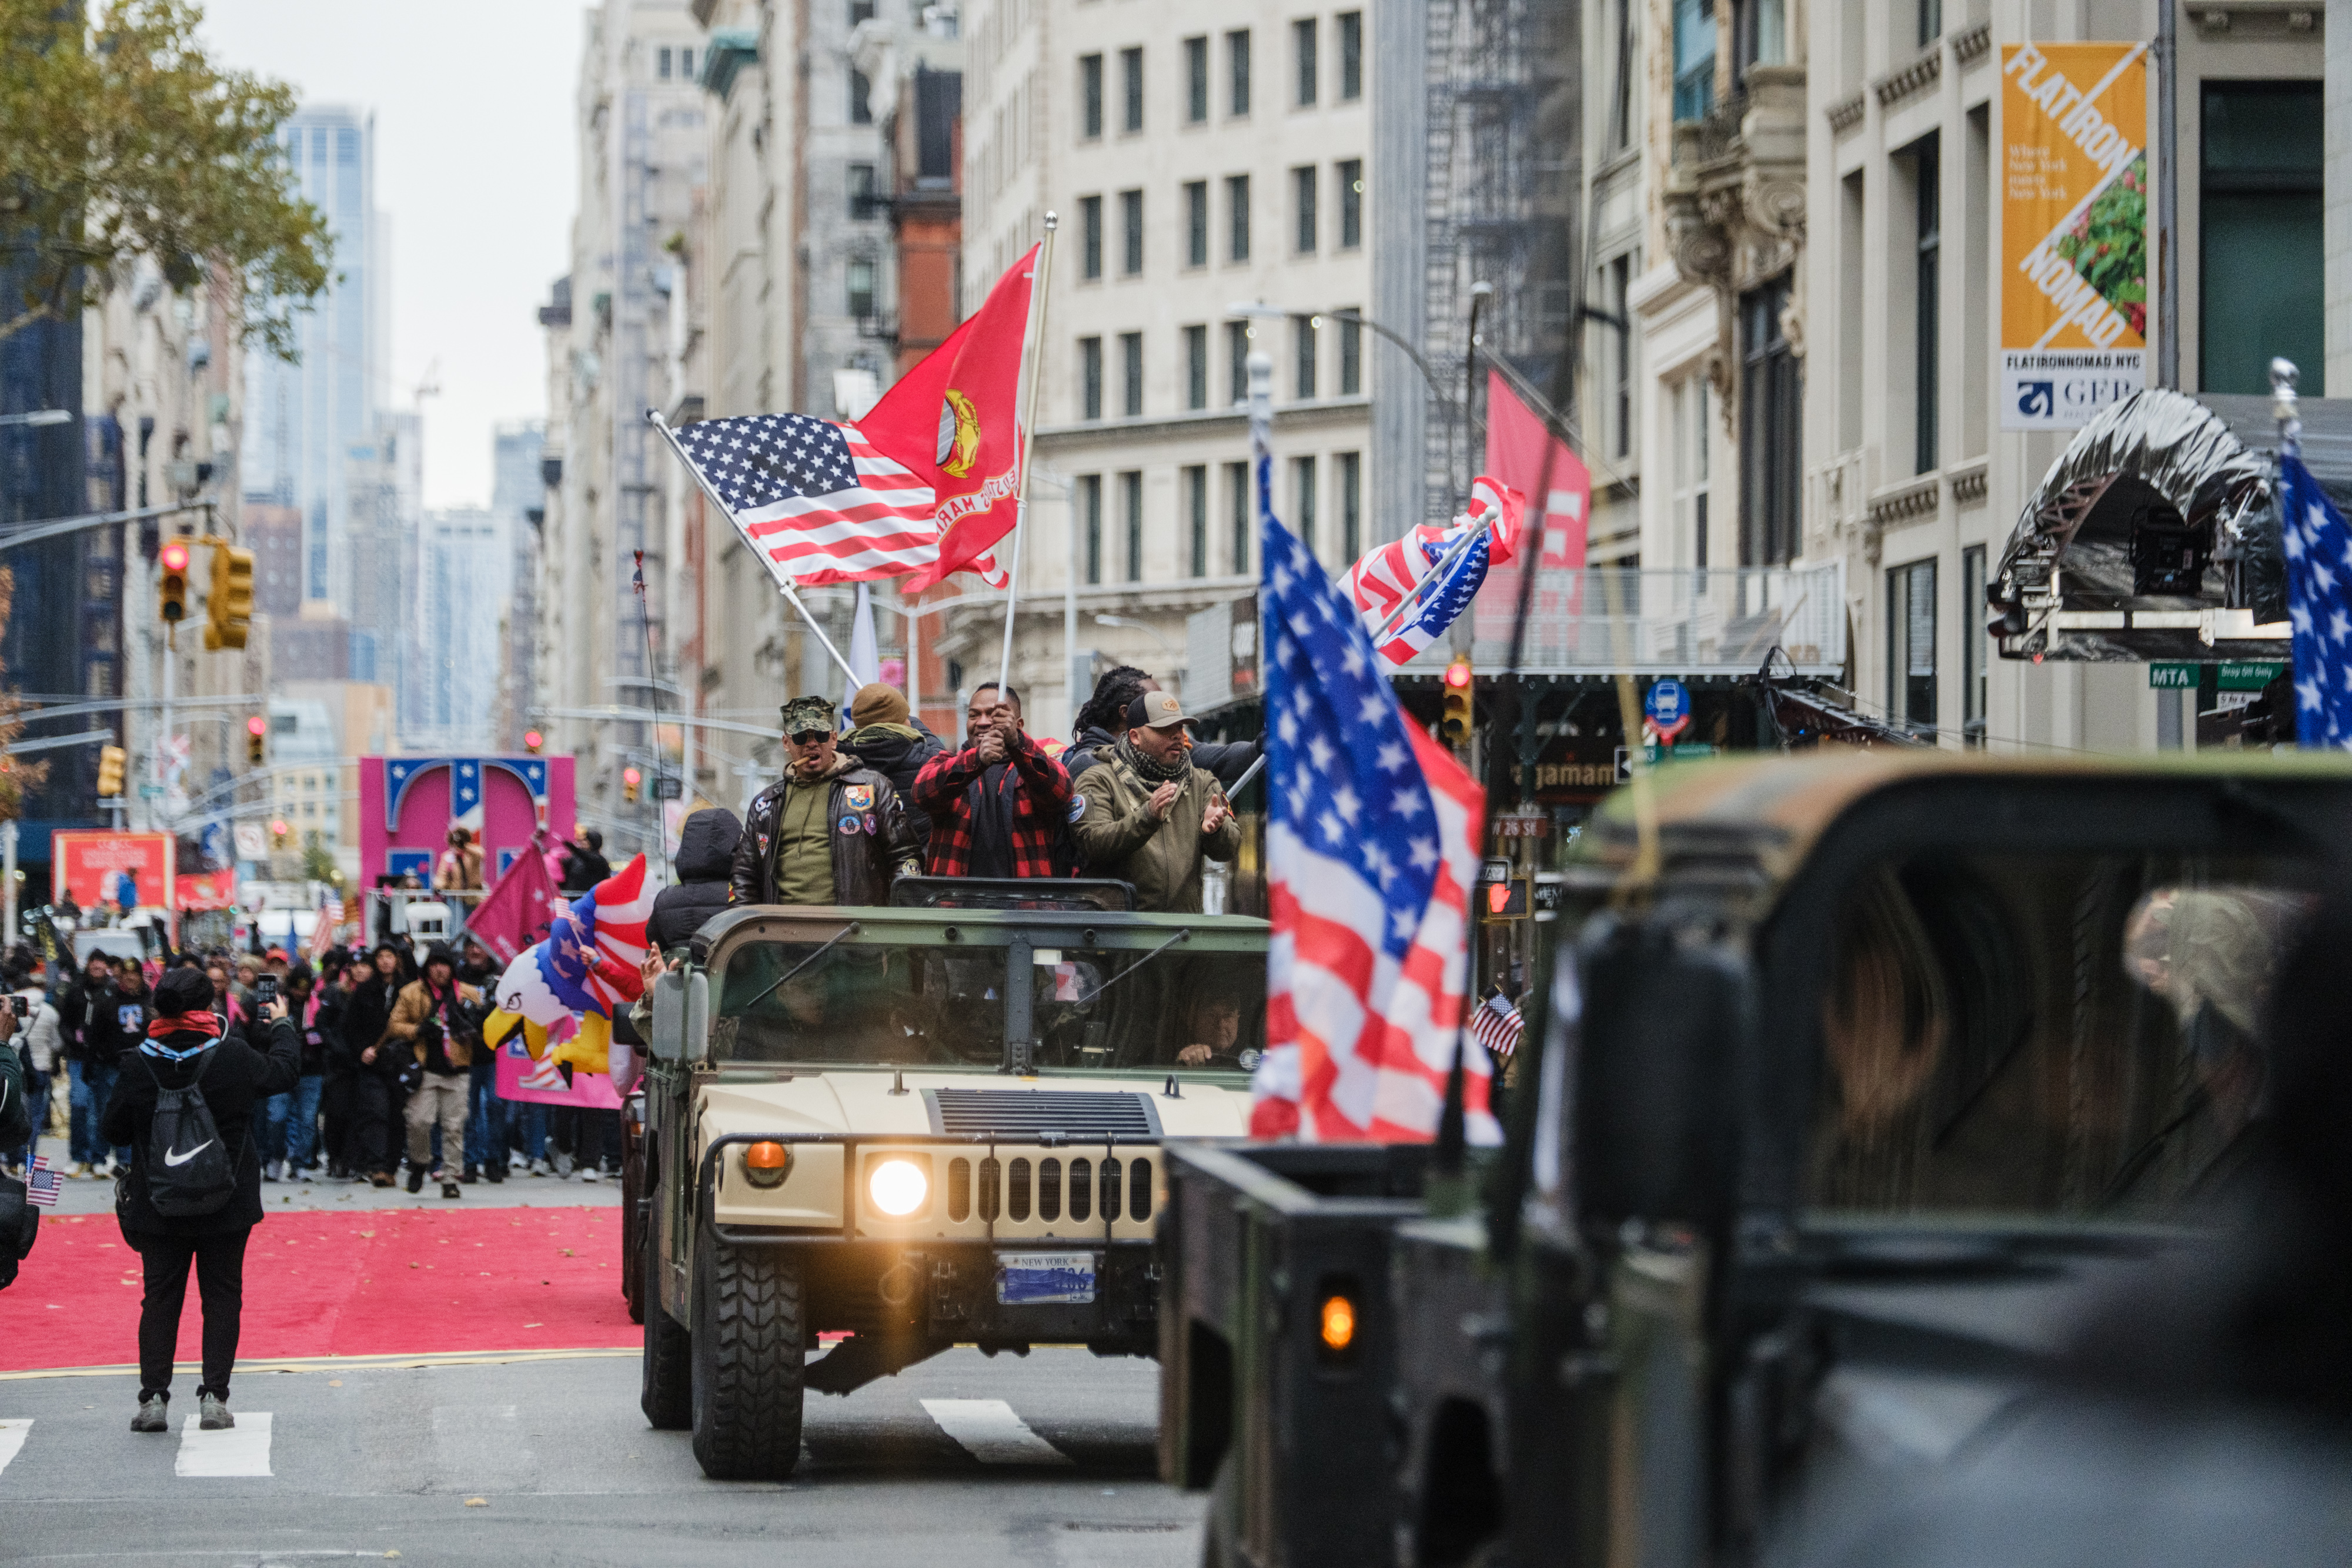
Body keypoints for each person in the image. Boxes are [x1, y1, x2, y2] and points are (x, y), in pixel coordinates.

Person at [103, 965, 299, 1435]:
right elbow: (284, 1072)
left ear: (159, 1008)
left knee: (160, 1300)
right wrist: (283, 1023)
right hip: (226, 1200)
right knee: (223, 1296)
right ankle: (215, 1396)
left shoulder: (138, 1062)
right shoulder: (232, 1054)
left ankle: (153, 1399)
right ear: (208, 1007)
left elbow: (110, 1130)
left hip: (158, 1201)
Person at [730, 695, 921, 907]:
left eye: (820, 736)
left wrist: (896, 922)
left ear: (833, 739)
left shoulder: (874, 788)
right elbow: (744, 875)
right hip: (782, 932)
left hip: (853, 931)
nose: (811, 744)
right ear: (786, 743)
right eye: (801, 737)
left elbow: (905, 856)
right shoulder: (766, 804)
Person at [1072, 689, 1242, 913]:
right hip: (1118, 936)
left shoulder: (1202, 781)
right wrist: (1147, 816)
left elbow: (1229, 849)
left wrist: (1216, 832)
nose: (1177, 736)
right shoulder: (1098, 779)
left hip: (1180, 936)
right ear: (1135, 736)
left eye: (1180, 727)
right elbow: (1093, 844)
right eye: (1164, 729)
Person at [911, 683, 1075, 879]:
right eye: (974, 715)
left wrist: (1018, 744)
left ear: (1018, 724)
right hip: (956, 902)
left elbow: (1061, 793)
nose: (982, 722)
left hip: (1024, 904)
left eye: (993, 715)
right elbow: (922, 794)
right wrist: (977, 760)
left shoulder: (1033, 769)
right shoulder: (946, 763)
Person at [385, 942, 483, 1199]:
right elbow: (394, 1026)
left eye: (444, 965)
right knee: (419, 1121)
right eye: (435, 965)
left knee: (454, 1127)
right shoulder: (411, 992)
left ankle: (451, 1178)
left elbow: (484, 1026)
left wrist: (472, 1022)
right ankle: (419, 1163)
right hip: (426, 1069)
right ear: (427, 967)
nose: (440, 970)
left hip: (458, 1069)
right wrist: (418, 1030)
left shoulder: (468, 994)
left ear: (452, 968)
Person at [1067, 665, 1259, 787]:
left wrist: (1258, 748)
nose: (1162, 706)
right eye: (1152, 702)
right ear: (1125, 713)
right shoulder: (1088, 765)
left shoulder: (1164, 749)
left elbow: (1221, 759)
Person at [841, 682, 946, 854]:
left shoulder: (843, 761)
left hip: (868, 869)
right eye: (906, 716)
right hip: (916, 867)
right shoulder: (927, 759)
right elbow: (941, 755)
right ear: (901, 723)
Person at [342, 942, 407, 1187]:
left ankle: (391, 1165)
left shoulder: (407, 989)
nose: (385, 962)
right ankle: (376, 1165)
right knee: (375, 1112)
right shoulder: (365, 991)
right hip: (372, 1064)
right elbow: (350, 1027)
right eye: (380, 957)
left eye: (390, 956)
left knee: (397, 1115)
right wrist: (362, 1050)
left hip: (398, 1064)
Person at [258, 964, 327, 1182]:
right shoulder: (276, 1004)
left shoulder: (319, 1006)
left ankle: (300, 1163)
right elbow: (259, 1032)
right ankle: (277, 1157)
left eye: (305, 989)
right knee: (276, 1117)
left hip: (311, 1071)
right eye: (297, 988)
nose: (301, 993)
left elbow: (330, 1033)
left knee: (308, 1121)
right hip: (280, 1068)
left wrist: (317, 1037)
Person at [649, 808, 744, 951]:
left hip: (679, 972)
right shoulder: (742, 895)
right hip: (732, 973)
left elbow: (654, 942)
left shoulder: (665, 899)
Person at [57, 952, 116, 1177]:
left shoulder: (112, 992)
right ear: (89, 965)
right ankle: (78, 1155)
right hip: (79, 1058)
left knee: (102, 1109)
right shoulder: (75, 990)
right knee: (79, 1104)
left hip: (103, 1059)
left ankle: (99, 1157)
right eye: (94, 962)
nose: (97, 966)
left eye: (102, 962)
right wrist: (74, 1041)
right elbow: (64, 1023)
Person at [456, 939, 505, 1185]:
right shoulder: (457, 976)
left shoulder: (501, 976)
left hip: (495, 1056)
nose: (476, 950)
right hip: (466, 1055)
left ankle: (494, 1160)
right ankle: (471, 1163)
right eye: (471, 946)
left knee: (496, 1109)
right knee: (469, 1112)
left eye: (480, 945)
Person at [559, 828, 611, 894]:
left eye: (585, 840)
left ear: (593, 842)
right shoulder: (575, 858)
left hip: (590, 899)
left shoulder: (599, 861)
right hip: (572, 898)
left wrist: (573, 848)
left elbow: (589, 858)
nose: (582, 842)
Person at [435, 827, 485, 892]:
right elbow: (442, 876)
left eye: (458, 844)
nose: (457, 847)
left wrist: (464, 846)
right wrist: (438, 886)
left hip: (472, 895)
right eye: (454, 844)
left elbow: (481, 854)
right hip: (454, 896)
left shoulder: (473, 855)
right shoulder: (447, 857)